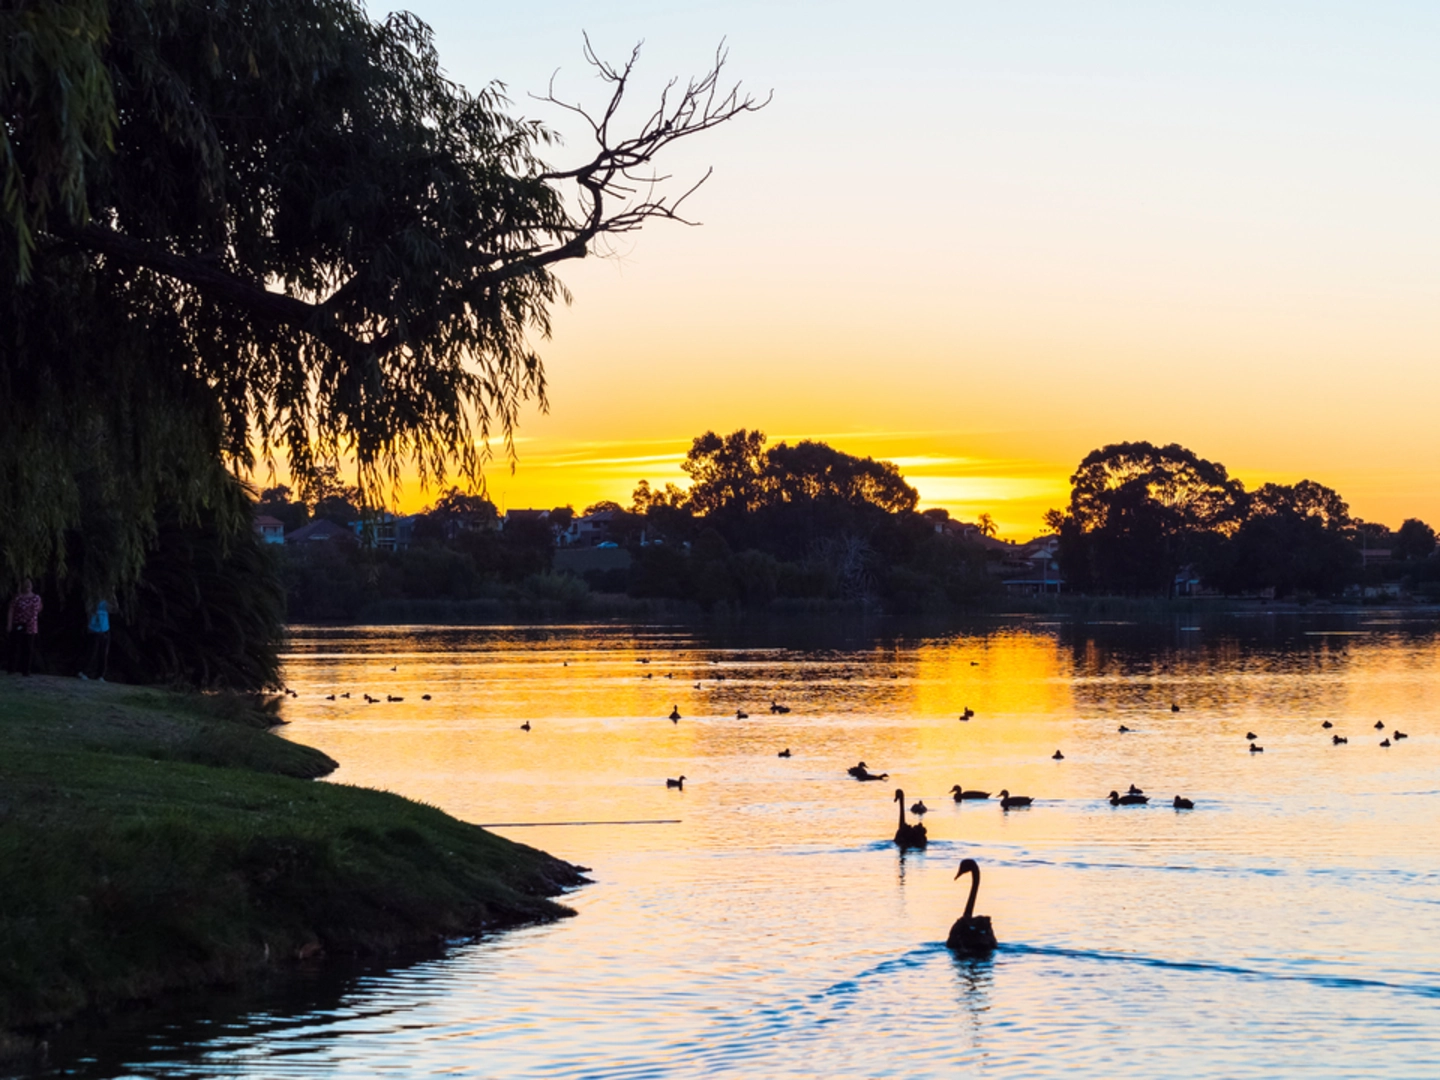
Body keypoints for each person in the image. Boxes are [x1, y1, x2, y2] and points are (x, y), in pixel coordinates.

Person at [6, 578, 43, 676]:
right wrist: (9, 624)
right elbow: (11, 610)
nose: (27, 588)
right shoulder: (17, 597)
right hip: (19, 624)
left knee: (28, 648)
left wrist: (32, 616)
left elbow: (39, 608)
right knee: (15, 646)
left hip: (31, 625)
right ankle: (11, 669)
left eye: (29, 586)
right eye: (25, 586)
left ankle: (26, 670)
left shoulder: (36, 598)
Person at [80, 597, 112, 681]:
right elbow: (88, 610)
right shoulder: (92, 596)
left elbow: (114, 609)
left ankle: (100, 675)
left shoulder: (108, 597)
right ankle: (85, 672)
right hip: (94, 629)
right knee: (92, 652)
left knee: (103, 654)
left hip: (105, 628)